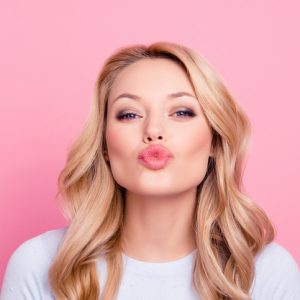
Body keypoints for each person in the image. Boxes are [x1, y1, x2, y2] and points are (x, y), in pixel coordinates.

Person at [1, 41, 300, 300]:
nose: (154, 130)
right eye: (129, 114)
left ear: (215, 141)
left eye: (181, 112)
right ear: (104, 145)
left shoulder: (266, 271)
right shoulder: (41, 264)